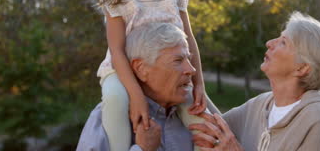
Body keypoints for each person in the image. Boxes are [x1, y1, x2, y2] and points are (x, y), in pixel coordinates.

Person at [94, 0, 207, 151]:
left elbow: (190, 40)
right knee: (115, 99)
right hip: (122, 69)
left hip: (169, 72)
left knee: (201, 117)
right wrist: (135, 95)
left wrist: (199, 84)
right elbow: (116, 50)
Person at [190, 12, 320, 151]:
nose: (269, 43)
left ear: (302, 68)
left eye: (283, 42)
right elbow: (213, 125)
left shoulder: (319, 119)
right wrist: (194, 83)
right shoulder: (260, 105)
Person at [77, 23, 219, 151]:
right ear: (141, 68)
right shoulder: (108, 117)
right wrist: (142, 149)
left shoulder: (197, 116)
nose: (192, 69)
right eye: (178, 60)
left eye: (188, 58)